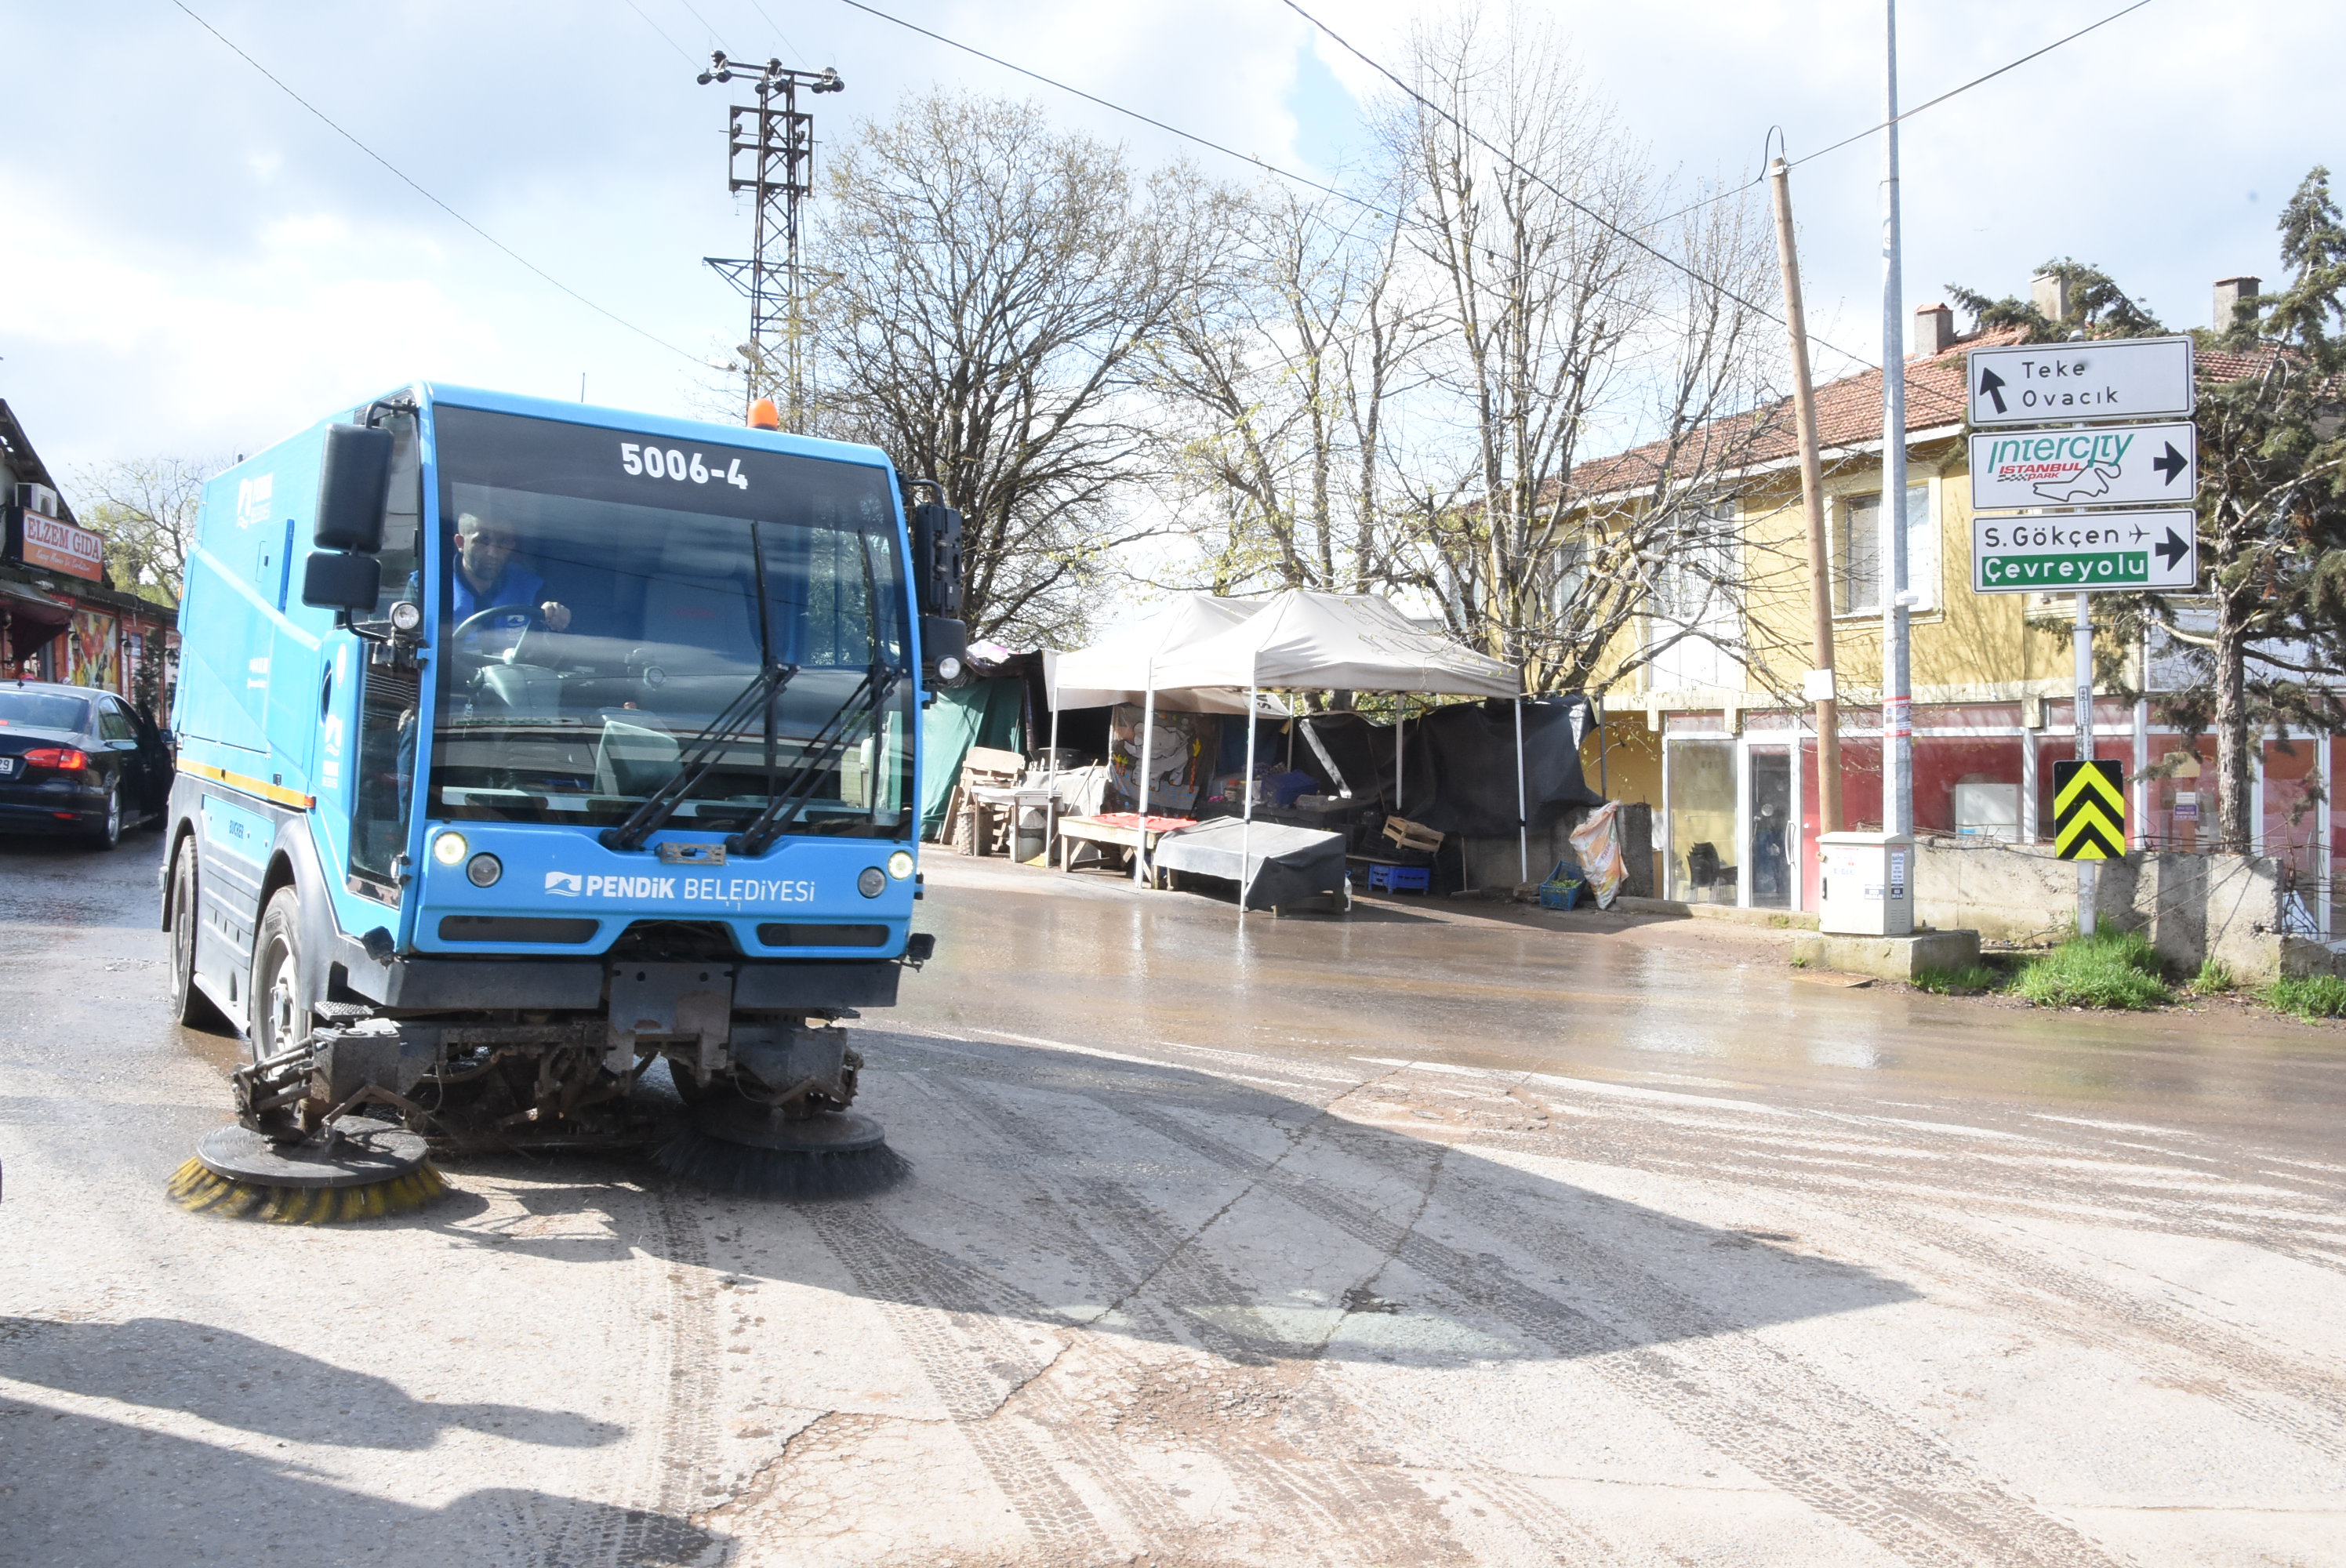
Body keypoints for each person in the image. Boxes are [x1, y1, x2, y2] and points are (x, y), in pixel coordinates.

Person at [450, 511, 570, 633]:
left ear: (512, 545)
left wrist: (556, 617)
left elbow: (559, 644)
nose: (494, 553)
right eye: (482, 541)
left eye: (503, 542)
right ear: (460, 543)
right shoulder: (436, 590)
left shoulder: (534, 588)